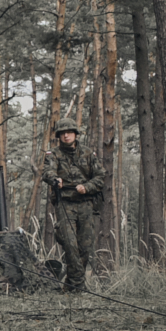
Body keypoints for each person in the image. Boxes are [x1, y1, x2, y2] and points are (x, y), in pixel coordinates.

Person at [43, 121, 103, 293]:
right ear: (59, 136)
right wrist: (56, 179)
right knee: (70, 245)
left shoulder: (88, 153)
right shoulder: (53, 154)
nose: (66, 135)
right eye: (62, 133)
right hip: (65, 203)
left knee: (85, 247)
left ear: (76, 134)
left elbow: (100, 176)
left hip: (86, 204)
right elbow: (47, 171)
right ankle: (78, 286)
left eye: (69, 132)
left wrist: (87, 187)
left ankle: (71, 286)